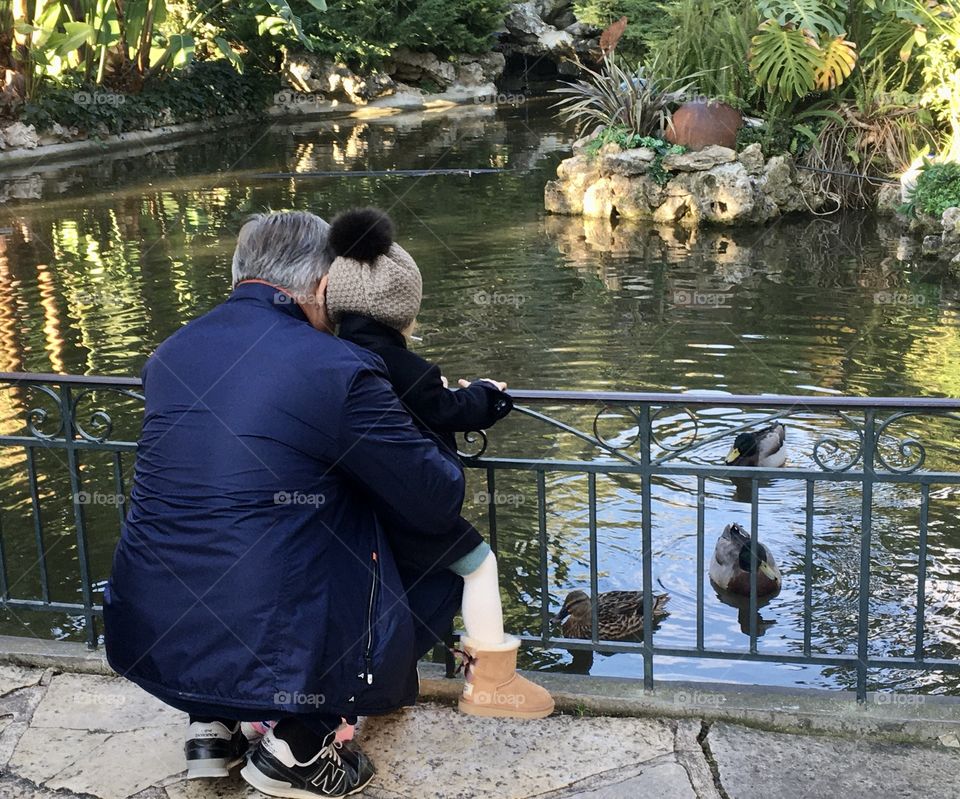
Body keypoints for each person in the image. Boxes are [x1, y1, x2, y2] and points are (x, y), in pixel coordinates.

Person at [103, 211, 467, 798]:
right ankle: (301, 745)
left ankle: (211, 726)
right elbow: (435, 496)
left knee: (229, 527)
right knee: (438, 565)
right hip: (262, 623)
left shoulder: (171, 351)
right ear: (324, 285)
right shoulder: (336, 366)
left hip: (147, 622)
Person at [325, 207, 554, 719]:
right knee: (479, 564)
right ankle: (491, 685)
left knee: (381, 587)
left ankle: (383, 676)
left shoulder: (330, 355)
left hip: (352, 504)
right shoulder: (400, 364)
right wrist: (488, 396)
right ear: (402, 311)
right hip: (405, 501)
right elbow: (449, 410)